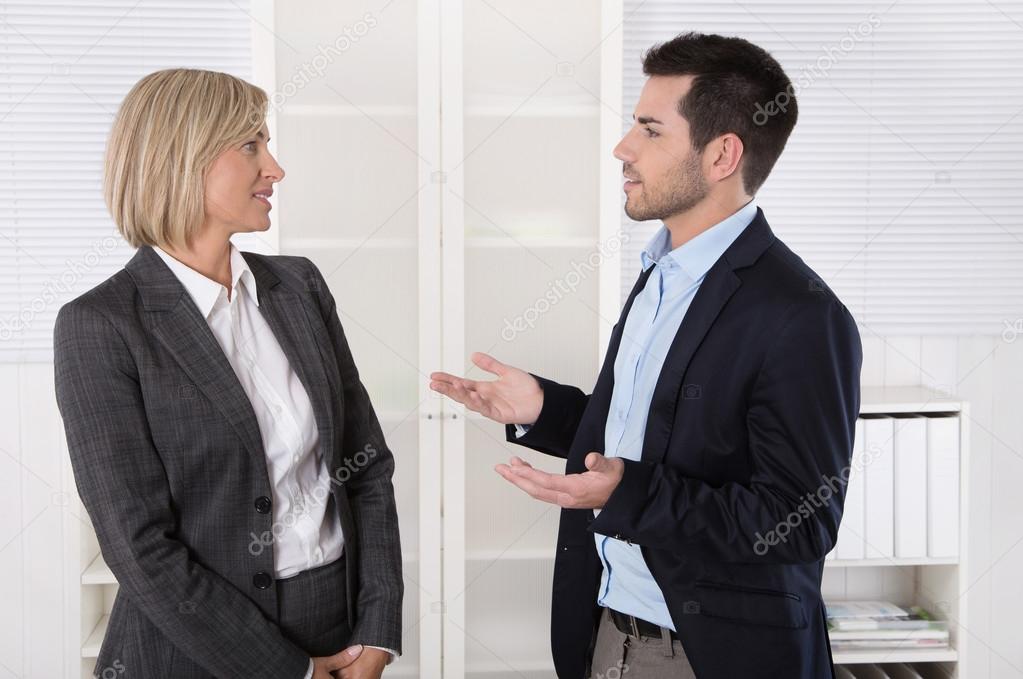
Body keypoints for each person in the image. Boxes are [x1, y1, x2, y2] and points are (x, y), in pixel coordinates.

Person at [430, 32, 862, 679]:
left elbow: (797, 519)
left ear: (721, 155)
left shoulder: (801, 315)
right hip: (606, 636)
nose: (622, 148)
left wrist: (628, 491)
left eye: (649, 131)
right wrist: (545, 409)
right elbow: (653, 438)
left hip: (705, 654)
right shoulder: (658, 275)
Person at [53, 68, 402, 679]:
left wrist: (378, 629)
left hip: (339, 632)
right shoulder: (101, 326)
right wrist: (290, 671)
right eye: (251, 146)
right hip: (194, 655)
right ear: (183, 158)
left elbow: (365, 467)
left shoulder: (299, 287)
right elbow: (140, 550)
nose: (275, 168)